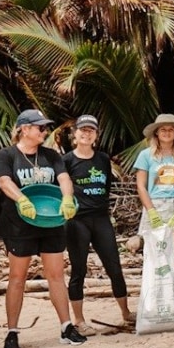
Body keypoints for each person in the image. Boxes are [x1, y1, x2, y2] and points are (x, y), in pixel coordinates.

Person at [0, 109, 86, 348]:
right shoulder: (7, 155)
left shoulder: (51, 155)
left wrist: (67, 198)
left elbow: (64, 179)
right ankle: (12, 332)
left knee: (56, 275)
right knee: (17, 277)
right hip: (19, 225)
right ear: (24, 129)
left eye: (45, 127)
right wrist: (21, 199)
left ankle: (66, 326)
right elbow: (4, 181)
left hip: (51, 222)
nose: (45, 132)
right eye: (40, 128)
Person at [62, 115, 131, 332]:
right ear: (75, 134)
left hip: (101, 218)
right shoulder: (66, 161)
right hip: (76, 221)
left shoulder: (102, 159)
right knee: (78, 270)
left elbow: (107, 187)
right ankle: (79, 320)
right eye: (82, 130)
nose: (86, 133)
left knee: (114, 267)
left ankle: (126, 313)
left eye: (91, 130)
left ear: (96, 135)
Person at [134, 114, 174, 247]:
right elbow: (141, 186)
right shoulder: (145, 155)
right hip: (155, 204)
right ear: (156, 132)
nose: (167, 133)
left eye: (171, 130)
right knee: (154, 254)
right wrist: (151, 211)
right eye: (163, 129)